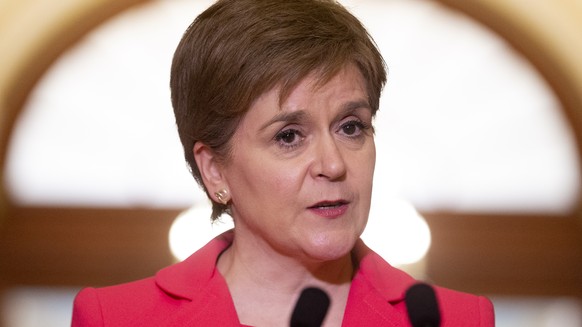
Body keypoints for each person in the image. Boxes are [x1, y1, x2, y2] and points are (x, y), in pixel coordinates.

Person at [72, 0, 494, 326]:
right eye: (288, 136)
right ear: (215, 169)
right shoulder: (116, 317)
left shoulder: (453, 319)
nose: (333, 165)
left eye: (351, 127)